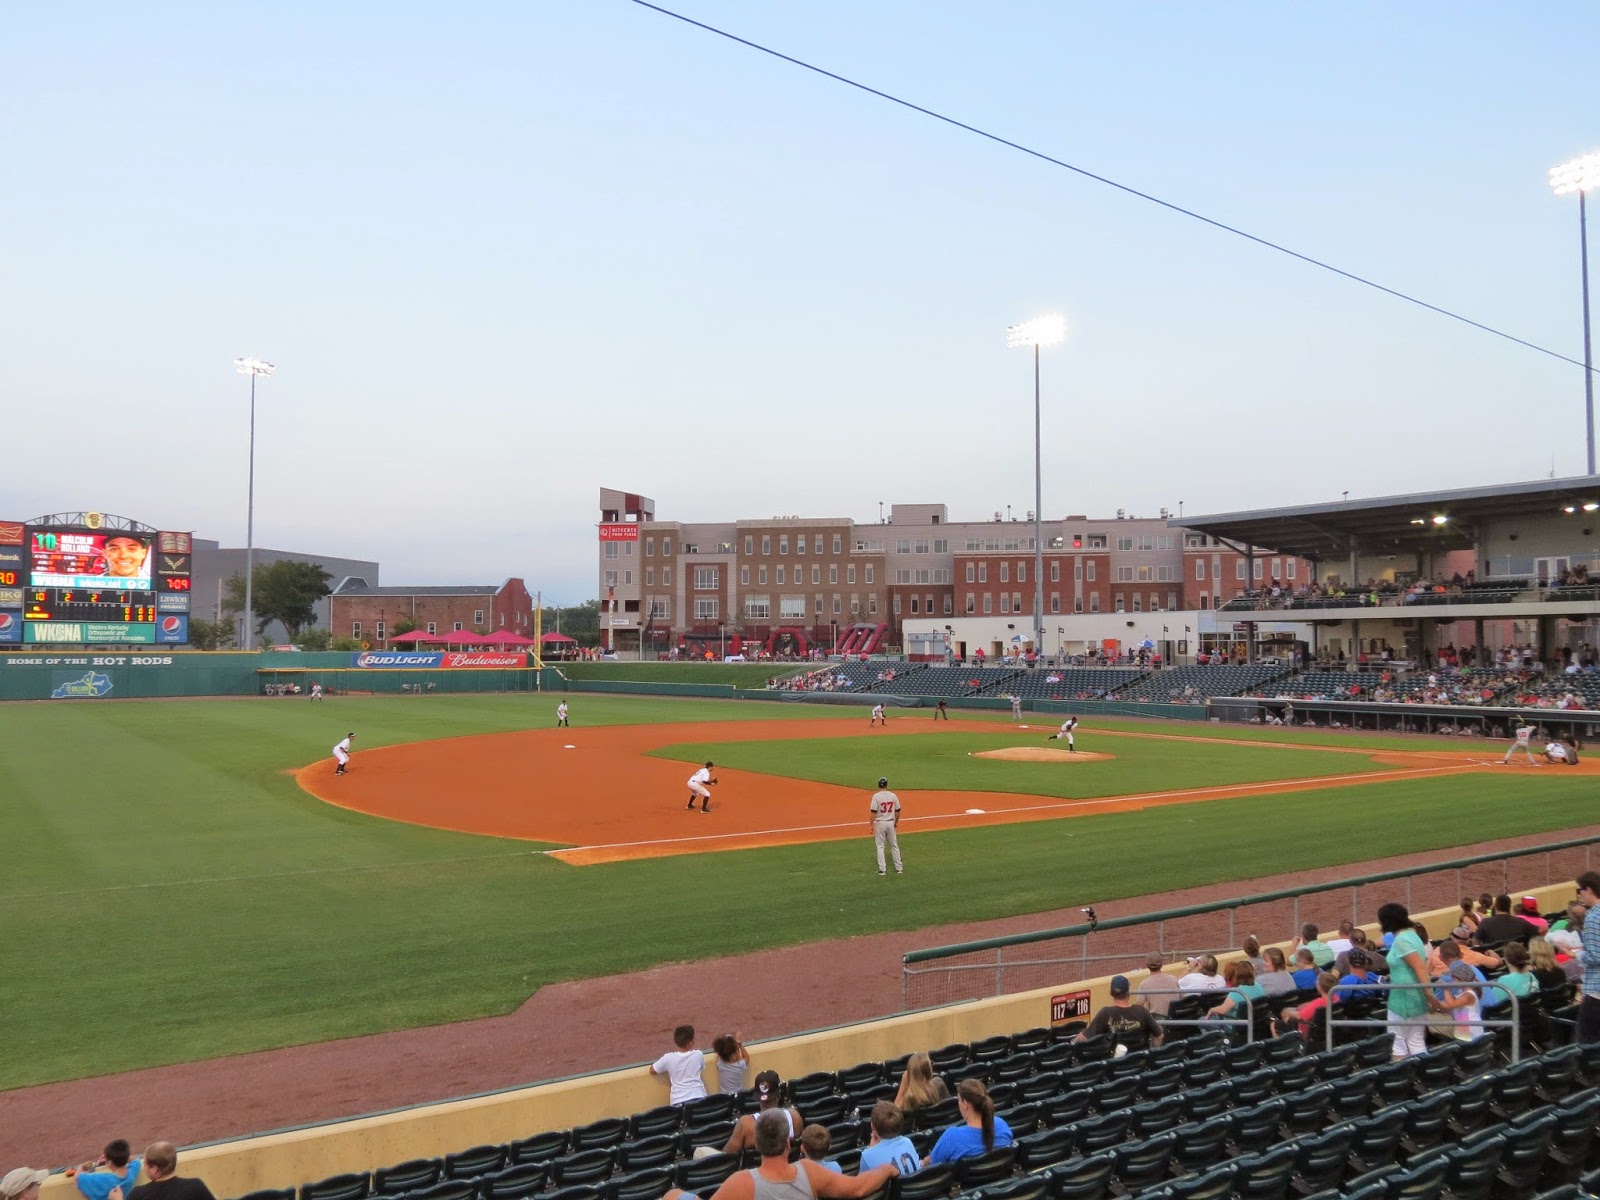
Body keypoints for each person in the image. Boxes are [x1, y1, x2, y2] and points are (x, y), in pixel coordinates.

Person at [675, 1110, 899, 1200]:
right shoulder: (810, 1171)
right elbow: (858, 1187)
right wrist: (886, 1169)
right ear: (788, 1143)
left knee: (673, 1194)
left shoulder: (741, 1182)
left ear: (758, 1145)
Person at [1380, 901, 1440, 1058]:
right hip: (1416, 998)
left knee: (1398, 1044)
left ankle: (1402, 1079)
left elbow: (1419, 968)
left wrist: (1430, 995)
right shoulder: (1413, 935)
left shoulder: (1401, 941)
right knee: (1416, 1041)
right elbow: (1411, 968)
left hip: (1403, 999)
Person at [925, 1079, 1013, 1166]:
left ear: (965, 1104)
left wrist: (923, 1162)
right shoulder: (1002, 1126)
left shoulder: (952, 1137)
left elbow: (932, 1166)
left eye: (959, 1100)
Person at [723, 1070, 804, 1154]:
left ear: (757, 1098)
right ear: (779, 1094)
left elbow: (727, 1156)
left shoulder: (746, 1124)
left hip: (758, 1167)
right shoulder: (795, 1117)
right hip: (788, 1165)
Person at [1078, 974, 1163, 1047]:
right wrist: (1152, 1051)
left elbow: (1083, 1038)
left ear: (1111, 993)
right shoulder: (1142, 1011)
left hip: (1114, 1063)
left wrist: (1071, 1044)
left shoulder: (1105, 1013)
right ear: (1128, 993)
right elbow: (1159, 1036)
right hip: (1140, 1062)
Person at [127, 1143, 215, 1200]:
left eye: (145, 1164)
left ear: (154, 1169)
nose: (144, 1167)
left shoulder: (138, 1194)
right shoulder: (195, 1186)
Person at [649, 1024, 708, 1105]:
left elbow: (652, 1070)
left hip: (678, 1102)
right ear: (690, 1043)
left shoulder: (668, 1058)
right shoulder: (698, 1055)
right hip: (699, 1097)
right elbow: (701, 1069)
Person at [859, 1101, 921, 1177]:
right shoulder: (907, 1142)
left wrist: (871, 1149)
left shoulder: (867, 1156)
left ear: (872, 1126)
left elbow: (859, 1185)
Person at [75, 1140, 143, 1200]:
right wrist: (119, 1157)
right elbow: (135, 1160)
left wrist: (81, 1166)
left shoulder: (102, 1179)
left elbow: (78, 1178)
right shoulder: (131, 1174)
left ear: (110, 1163)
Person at [1577, 871, 1600, 1043]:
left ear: (1589, 890)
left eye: (1580, 890)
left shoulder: (1592, 917)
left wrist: (1578, 954)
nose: (1579, 895)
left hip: (1596, 990)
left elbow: (1596, 956)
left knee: (1588, 1043)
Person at [1474, 894, 1539, 945]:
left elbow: (1475, 942)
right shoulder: (1521, 923)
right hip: (1517, 959)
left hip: (1494, 960)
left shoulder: (1485, 923)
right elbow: (1537, 932)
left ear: (1496, 907)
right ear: (1509, 907)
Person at [870, 777, 903, 877]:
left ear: (879, 785)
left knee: (880, 846)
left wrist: (870, 825)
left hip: (880, 823)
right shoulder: (893, 795)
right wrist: (896, 822)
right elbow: (898, 811)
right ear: (886, 785)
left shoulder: (876, 796)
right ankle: (899, 868)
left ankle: (882, 870)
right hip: (890, 823)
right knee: (894, 845)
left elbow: (873, 812)